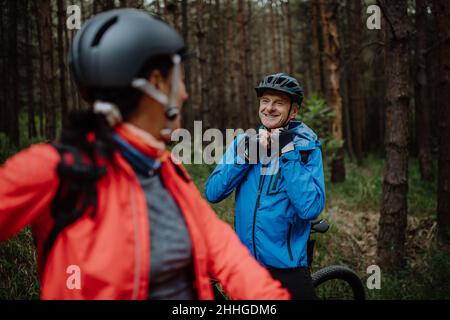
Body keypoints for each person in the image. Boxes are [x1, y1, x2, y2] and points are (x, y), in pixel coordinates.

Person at [0, 9, 290, 300]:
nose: (185, 94)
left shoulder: (166, 168)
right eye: (180, 80)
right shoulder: (54, 167)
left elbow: (223, 250)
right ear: (156, 83)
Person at [205, 73, 326, 300]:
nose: (269, 108)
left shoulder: (307, 148)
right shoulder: (243, 143)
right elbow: (213, 192)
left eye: (279, 102)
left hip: (285, 266)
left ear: (294, 111)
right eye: (265, 101)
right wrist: (247, 155)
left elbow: (310, 208)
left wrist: (287, 152)